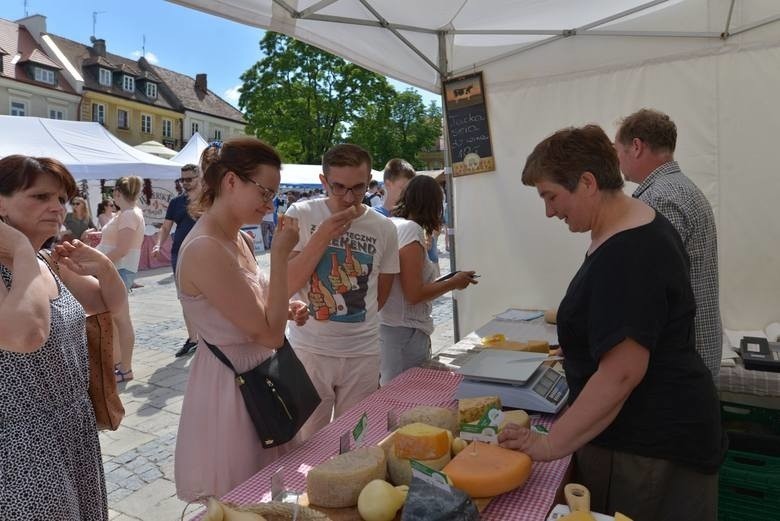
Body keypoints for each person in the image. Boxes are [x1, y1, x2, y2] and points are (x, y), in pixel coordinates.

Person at [498, 125, 726, 520]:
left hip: (648, 447)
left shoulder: (630, 251)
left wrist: (549, 445)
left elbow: (621, 373)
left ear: (587, 182)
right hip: (646, 437)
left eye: (551, 196)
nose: (550, 211)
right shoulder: (630, 225)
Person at [174, 138, 308, 501]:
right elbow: (269, 334)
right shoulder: (205, 248)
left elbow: (262, 309)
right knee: (244, 499)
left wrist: (285, 307)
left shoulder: (239, 239)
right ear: (231, 181)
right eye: (265, 192)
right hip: (233, 389)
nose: (270, 204)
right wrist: (279, 258)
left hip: (259, 378)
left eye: (273, 195)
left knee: (272, 496)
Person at [0, 154, 127, 519]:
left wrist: (103, 266)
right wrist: (21, 249)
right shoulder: (27, 259)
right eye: (41, 197)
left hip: (74, 428)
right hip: (21, 445)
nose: (57, 207)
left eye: (61, 198)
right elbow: (25, 334)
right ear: (1, 203)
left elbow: (110, 306)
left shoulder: (43, 260)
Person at [285, 144, 399, 440]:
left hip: (362, 353)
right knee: (308, 442)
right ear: (323, 181)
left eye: (358, 188)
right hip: (310, 351)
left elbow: (380, 294)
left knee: (356, 441)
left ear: (369, 181)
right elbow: (285, 284)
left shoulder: (383, 227)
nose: (349, 198)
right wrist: (322, 235)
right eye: (339, 188)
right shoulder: (301, 213)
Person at [615, 108, 722, 378]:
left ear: (636, 147)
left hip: (681, 357)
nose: (618, 161)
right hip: (695, 347)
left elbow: (655, 290)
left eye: (619, 151)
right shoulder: (681, 188)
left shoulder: (658, 199)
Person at [379, 175, 477, 385]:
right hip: (405, 332)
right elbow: (414, 294)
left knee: (392, 394)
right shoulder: (411, 230)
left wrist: (449, 279)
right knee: (405, 395)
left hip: (390, 328)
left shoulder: (392, 224)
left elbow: (407, 283)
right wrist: (453, 282)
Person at [97, 175, 145, 382]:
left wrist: (96, 261)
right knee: (116, 321)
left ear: (117, 193)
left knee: (120, 320)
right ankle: (120, 366)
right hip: (118, 269)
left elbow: (122, 249)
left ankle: (124, 368)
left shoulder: (128, 214)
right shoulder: (127, 213)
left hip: (118, 269)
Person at [153, 164, 200, 357]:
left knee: (208, 296)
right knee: (185, 298)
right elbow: (165, 227)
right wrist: (158, 245)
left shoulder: (209, 200)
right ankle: (193, 339)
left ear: (199, 177)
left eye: (189, 179)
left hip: (203, 254)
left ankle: (210, 337)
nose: (185, 183)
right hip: (179, 254)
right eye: (183, 179)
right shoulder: (176, 202)